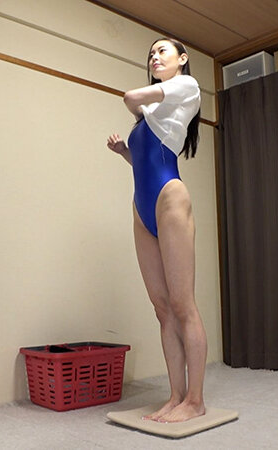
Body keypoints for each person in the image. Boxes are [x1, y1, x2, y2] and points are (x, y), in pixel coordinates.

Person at [106, 38, 207, 423]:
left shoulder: (187, 85)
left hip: (168, 197)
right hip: (142, 204)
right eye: (151, 53)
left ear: (183, 58)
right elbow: (143, 160)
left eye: (162, 51)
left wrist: (138, 102)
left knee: (183, 305)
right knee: (163, 309)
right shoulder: (156, 111)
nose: (154, 57)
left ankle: (195, 400)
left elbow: (130, 97)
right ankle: (176, 395)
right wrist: (124, 153)